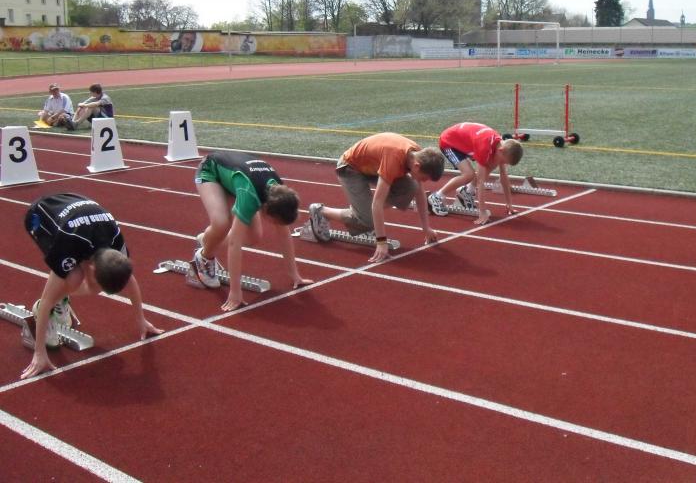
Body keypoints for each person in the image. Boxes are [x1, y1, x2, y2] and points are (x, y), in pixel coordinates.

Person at [21, 193, 163, 380]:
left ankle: (62, 296)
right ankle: (58, 301)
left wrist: (141, 320)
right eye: (97, 284)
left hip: (81, 218)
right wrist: (39, 353)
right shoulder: (67, 245)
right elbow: (46, 301)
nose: (97, 291)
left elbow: (130, 279)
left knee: (82, 280)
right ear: (92, 267)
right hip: (40, 216)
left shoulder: (117, 243)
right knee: (72, 277)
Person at [191, 150, 313, 311]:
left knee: (253, 237)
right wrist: (235, 292)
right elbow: (234, 243)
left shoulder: (280, 192)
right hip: (210, 171)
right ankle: (204, 257)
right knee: (221, 223)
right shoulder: (250, 196)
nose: (275, 225)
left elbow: (284, 235)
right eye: (274, 222)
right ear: (266, 210)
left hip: (238, 176)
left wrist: (294, 275)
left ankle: (208, 240)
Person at [308, 132, 445, 263]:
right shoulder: (393, 160)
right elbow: (377, 203)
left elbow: (419, 193)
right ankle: (321, 211)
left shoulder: (418, 154)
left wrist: (426, 228)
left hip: (372, 167)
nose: (424, 181)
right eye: (425, 178)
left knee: (410, 187)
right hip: (350, 167)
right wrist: (381, 242)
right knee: (368, 219)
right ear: (417, 166)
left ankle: (362, 213)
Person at [427, 122, 523, 225]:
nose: (502, 163)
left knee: (491, 164)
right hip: (449, 142)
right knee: (468, 174)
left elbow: (503, 175)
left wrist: (509, 204)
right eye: (503, 161)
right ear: (501, 150)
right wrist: (482, 212)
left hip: (464, 142)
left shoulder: (501, 146)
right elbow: (481, 182)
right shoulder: (485, 147)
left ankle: (467, 191)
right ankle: (437, 196)